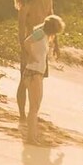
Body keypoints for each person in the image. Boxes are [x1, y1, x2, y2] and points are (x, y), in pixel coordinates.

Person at [14, 0, 53, 122]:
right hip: (29, 45)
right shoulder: (25, 7)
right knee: (24, 81)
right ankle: (22, 114)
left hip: (43, 45)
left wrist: (57, 44)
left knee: (38, 81)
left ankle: (33, 112)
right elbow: (21, 31)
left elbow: (52, 21)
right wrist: (24, 50)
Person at [22, 15, 64, 145]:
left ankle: (32, 136)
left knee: (35, 107)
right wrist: (32, 56)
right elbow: (26, 42)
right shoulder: (40, 33)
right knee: (34, 107)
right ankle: (30, 138)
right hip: (33, 73)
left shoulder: (45, 36)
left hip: (36, 73)